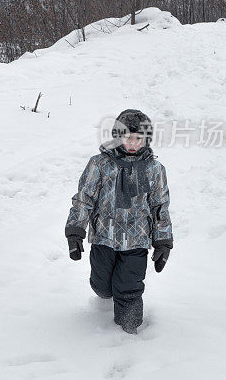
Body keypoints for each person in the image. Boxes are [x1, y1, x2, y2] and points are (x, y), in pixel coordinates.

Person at [65, 109, 173, 334]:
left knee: (129, 288)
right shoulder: (100, 165)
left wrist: (163, 241)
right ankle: (105, 293)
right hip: (104, 237)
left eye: (138, 139)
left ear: (146, 139)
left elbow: (159, 207)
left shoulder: (154, 170)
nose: (133, 144)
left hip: (137, 241)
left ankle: (129, 330)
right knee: (102, 286)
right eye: (128, 138)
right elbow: (85, 198)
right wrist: (75, 231)